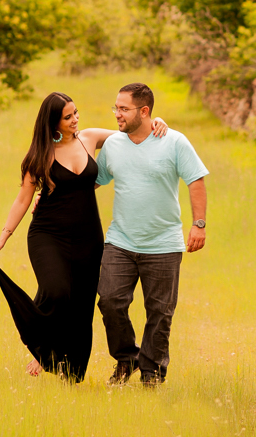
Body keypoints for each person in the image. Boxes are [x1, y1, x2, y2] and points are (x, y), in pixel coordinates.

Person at [0, 91, 168, 382]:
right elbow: (23, 199)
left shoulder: (91, 138)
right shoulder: (39, 155)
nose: (75, 119)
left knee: (82, 304)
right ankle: (43, 350)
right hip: (48, 233)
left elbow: (134, 132)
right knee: (56, 291)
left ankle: (70, 372)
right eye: (68, 116)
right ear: (53, 122)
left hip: (87, 235)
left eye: (76, 113)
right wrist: (2, 238)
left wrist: (156, 120)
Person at [96, 82, 208, 387]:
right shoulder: (113, 145)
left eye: (124, 109)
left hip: (163, 244)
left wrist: (198, 224)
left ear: (144, 111)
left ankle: (152, 375)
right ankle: (126, 357)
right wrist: (52, 194)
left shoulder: (174, 142)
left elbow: (195, 180)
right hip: (120, 241)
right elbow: (94, 181)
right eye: (115, 108)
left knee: (160, 313)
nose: (117, 114)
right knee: (109, 300)